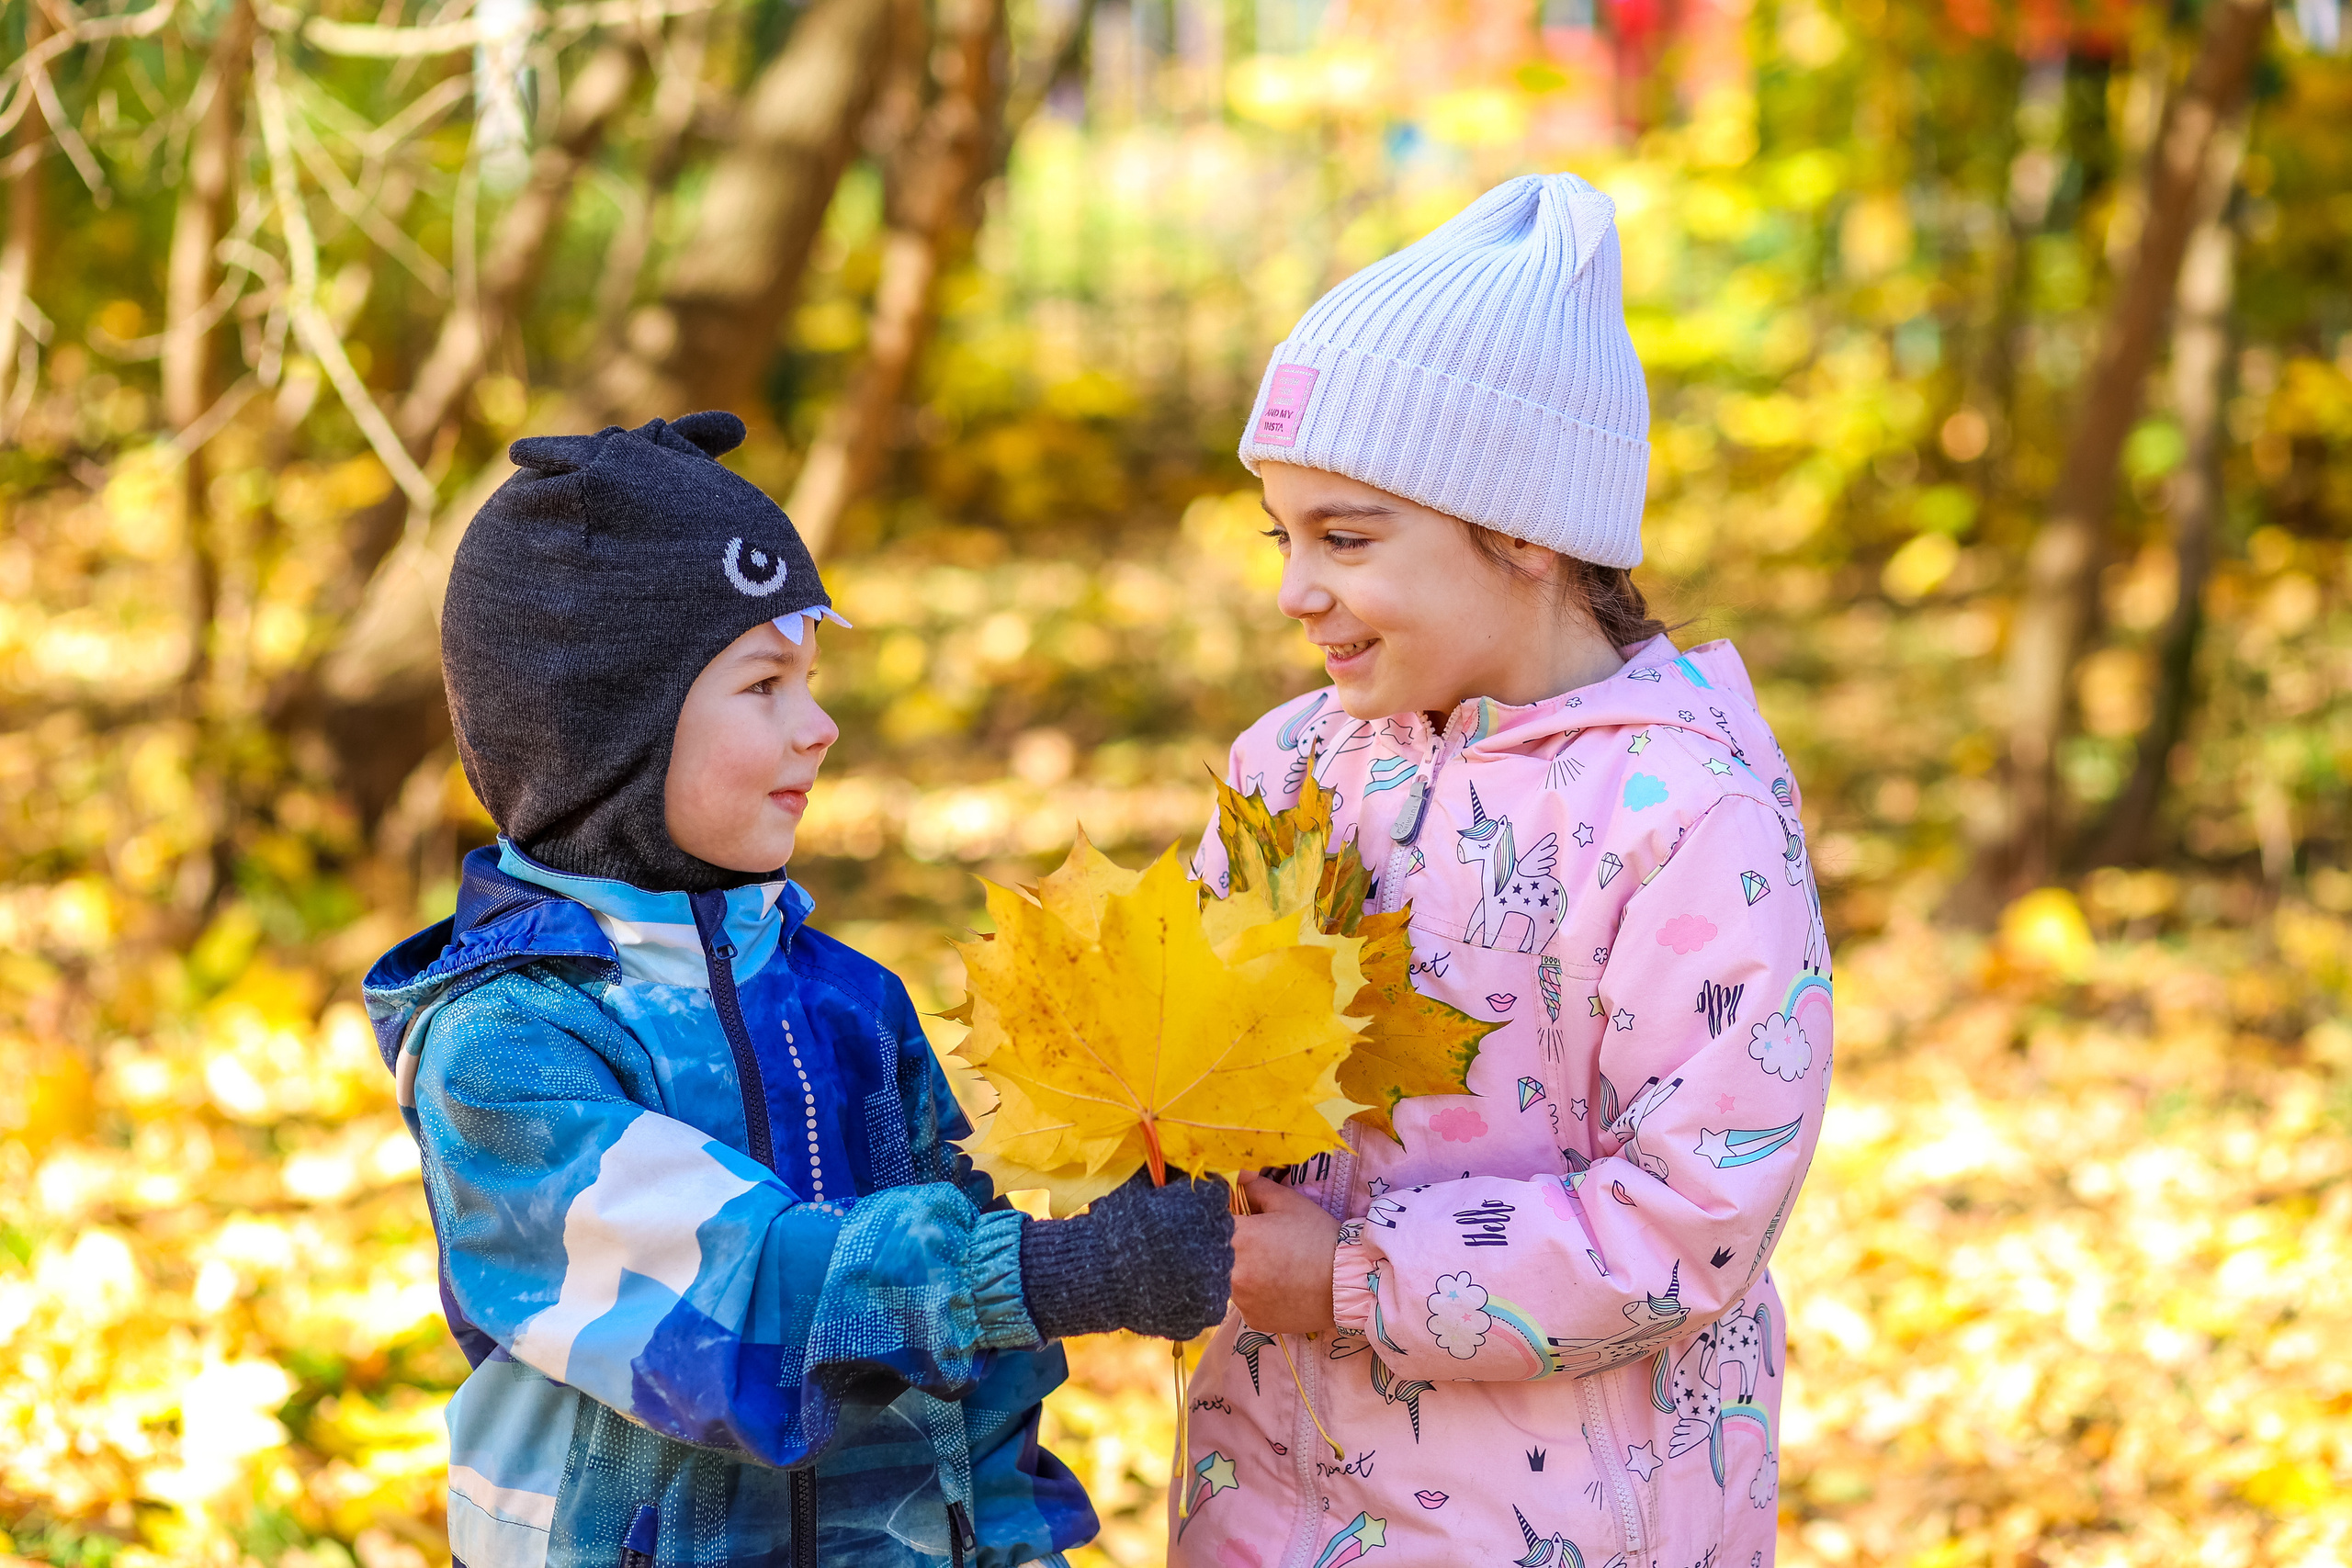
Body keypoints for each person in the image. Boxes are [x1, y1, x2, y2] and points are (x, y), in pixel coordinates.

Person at [362, 412, 1234, 1568]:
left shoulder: (851, 1005)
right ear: (606, 734)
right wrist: (1057, 1271)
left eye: (810, 680)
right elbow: (734, 1295)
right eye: (763, 685)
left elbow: (982, 1381)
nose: (818, 729)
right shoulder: (508, 1047)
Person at [1174, 174, 1833, 1568]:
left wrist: (1354, 1276)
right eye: (1280, 535)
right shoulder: (1292, 766)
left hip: (1565, 1519)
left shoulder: (1682, 811)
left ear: (1527, 533)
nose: (1296, 588)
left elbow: (1694, 1207)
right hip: (1268, 1492)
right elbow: (1189, 1048)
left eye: (1346, 537)